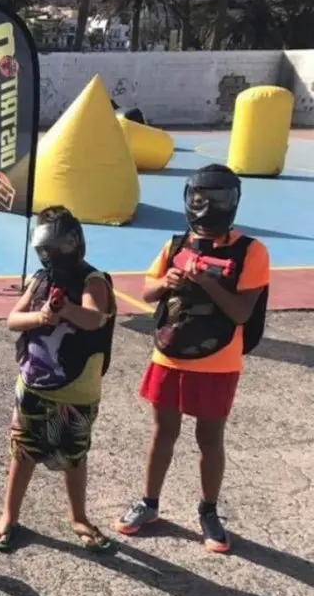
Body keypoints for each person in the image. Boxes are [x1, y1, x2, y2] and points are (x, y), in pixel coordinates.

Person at [115, 165, 270, 553]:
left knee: (209, 438)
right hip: (170, 354)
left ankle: (208, 511)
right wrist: (166, 282)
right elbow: (147, 291)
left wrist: (207, 282)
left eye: (216, 199)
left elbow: (241, 312)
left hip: (218, 361)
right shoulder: (175, 244)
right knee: (162, 431)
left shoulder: (251, 251)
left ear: (232, 202)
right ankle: (149, 503)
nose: (206, 208)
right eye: (199, 199)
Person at [0, 206, 117, 553]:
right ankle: (9, 515)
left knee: (74, 456)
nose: (50, 255)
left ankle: (79, 517)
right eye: (45, 249)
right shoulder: (40, 279)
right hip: (33, 383)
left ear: (73, 242)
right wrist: (41, 317)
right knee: (22, 451)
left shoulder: (92, 280)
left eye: (56, 247)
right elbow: (13, 320)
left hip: (77, 389)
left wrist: (65, 310)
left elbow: (94, 318)